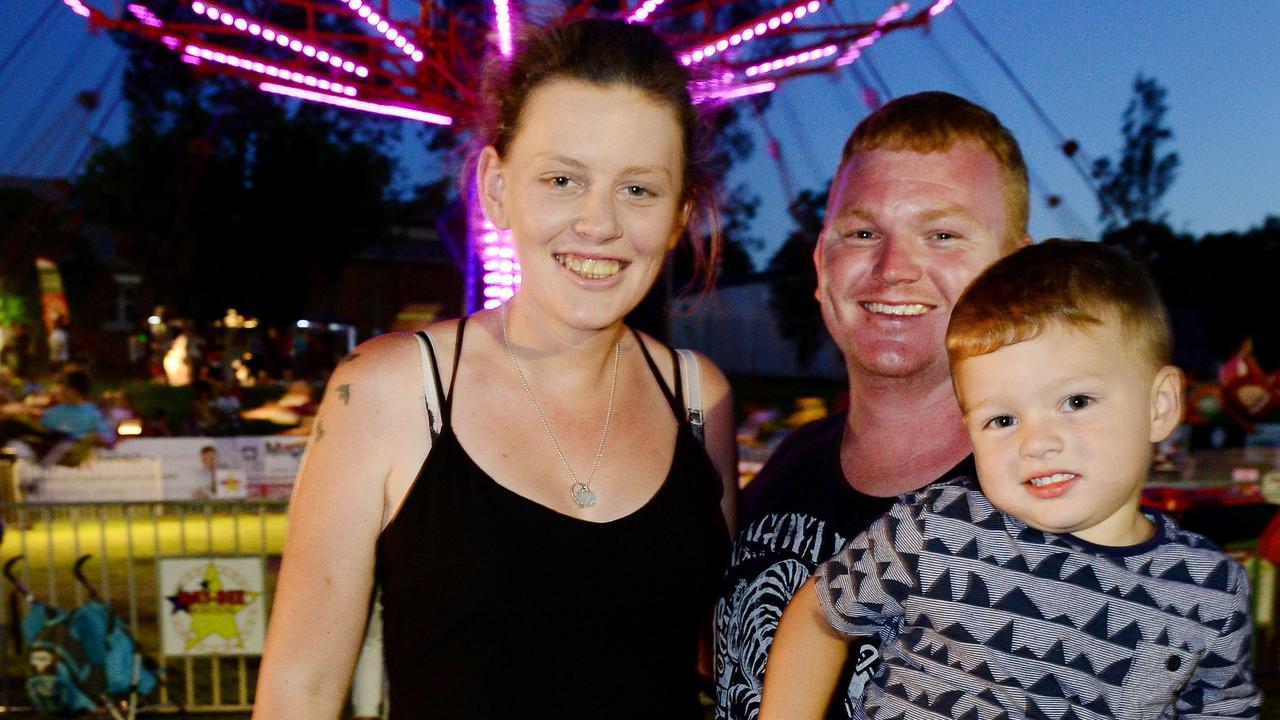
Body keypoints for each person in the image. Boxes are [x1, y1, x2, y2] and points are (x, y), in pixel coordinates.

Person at [254, 18, 737, 719]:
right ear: (497, 186)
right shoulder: (391, 391)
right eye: (563, 179)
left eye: (638, 190)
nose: (598, 222)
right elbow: (300, 690)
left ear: (678, 216)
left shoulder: (699, 399)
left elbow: (717, 660)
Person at [760, 239, 1261, 719]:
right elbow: (818, 617)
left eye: (1076, 402)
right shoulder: (936, 528)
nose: (1036, 443)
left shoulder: (1211, 593)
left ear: (1161, 405)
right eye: (1002, 420)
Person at [715, 91, 1032, 720]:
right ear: (821, 263)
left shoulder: (1039, 510)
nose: (893, 269)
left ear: (1015, 275)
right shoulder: (793, 462)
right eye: (863, 232)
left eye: (942, 235)